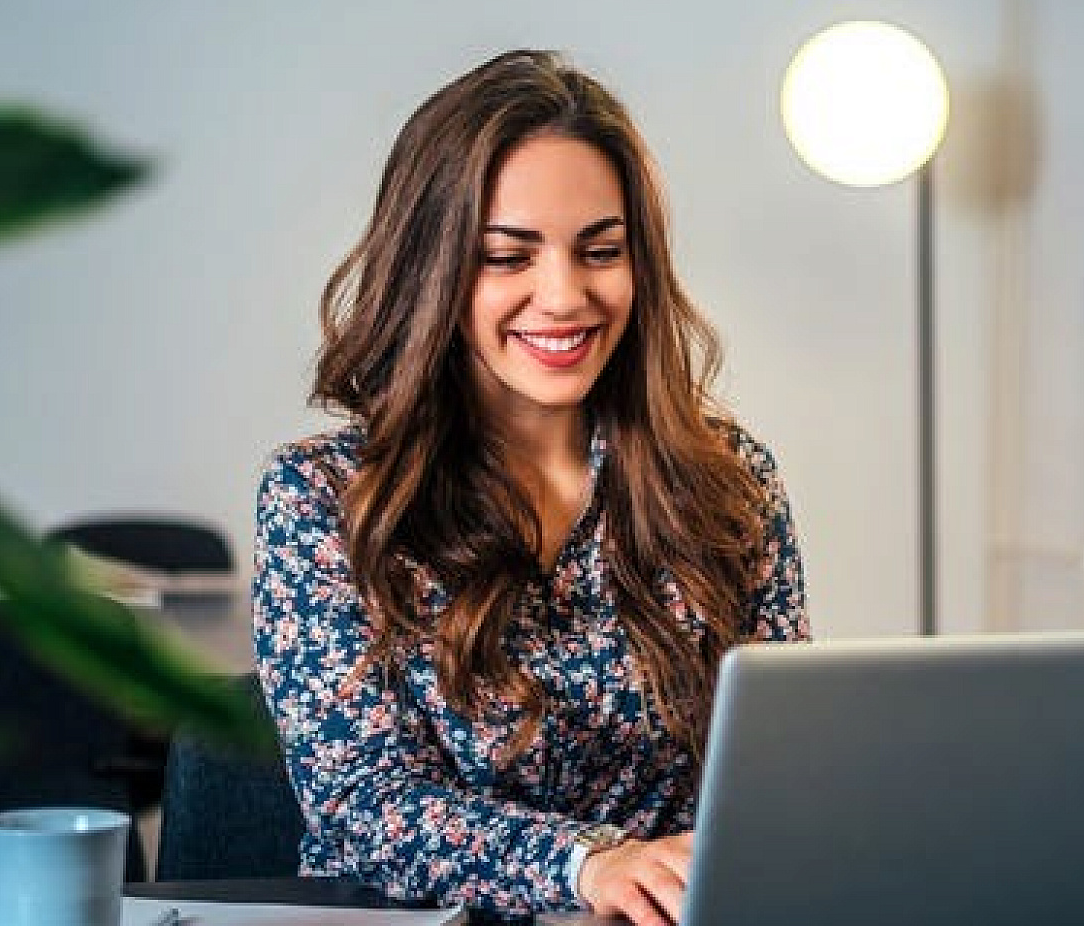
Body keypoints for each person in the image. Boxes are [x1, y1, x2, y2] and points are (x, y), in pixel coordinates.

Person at [251, 50, 810, 925]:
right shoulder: (325, 495)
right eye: (508, 258)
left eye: (602, 251)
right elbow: (361, 807)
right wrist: (587, 864)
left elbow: (783, 771)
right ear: (430, 271)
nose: (565, 296)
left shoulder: (730, 482)